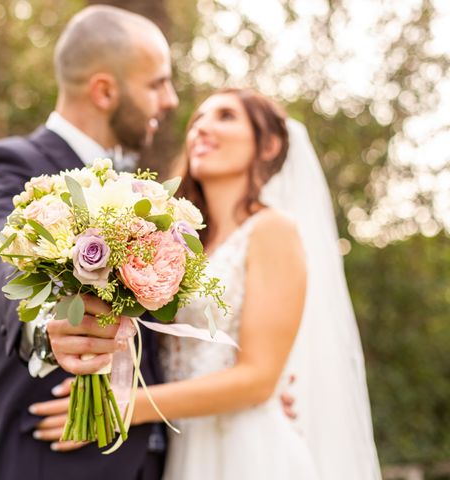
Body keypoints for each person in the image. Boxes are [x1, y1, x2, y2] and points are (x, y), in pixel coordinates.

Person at [35, 88, 381, 479]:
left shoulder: (272, 229)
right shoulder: (177, 244)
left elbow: (257, 380)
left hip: (248, 451)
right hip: (183, 446)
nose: (201, 128)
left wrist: (125, 406)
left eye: (226, 116)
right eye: (197, 119)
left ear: (268, 145)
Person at [0, 6, 178, 480]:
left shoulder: (144, 195)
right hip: (44, 462)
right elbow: (0, 256)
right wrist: (46, 323)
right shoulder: (4, 166)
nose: (171, 99)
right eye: (157, 84)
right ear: (104, 91)